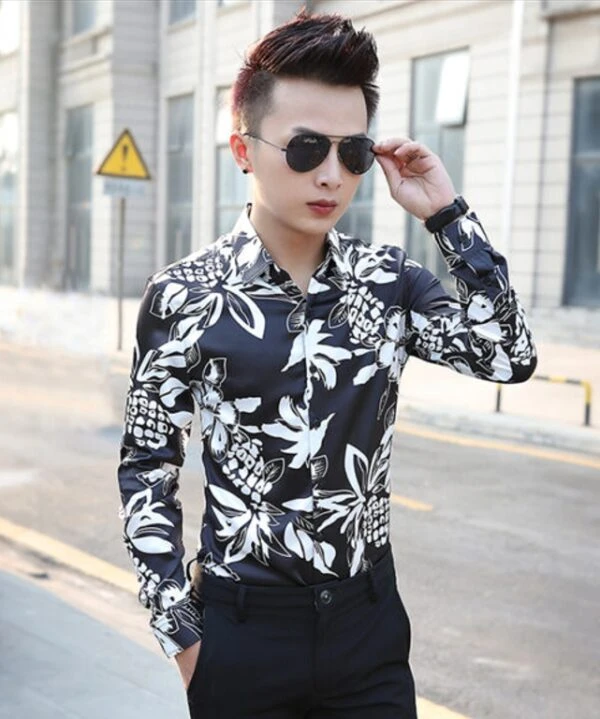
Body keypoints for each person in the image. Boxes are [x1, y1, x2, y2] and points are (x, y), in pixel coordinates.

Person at [117, 10, 536, 719]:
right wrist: (183, 637)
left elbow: (508, 357)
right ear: (243, 149)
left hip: (366, 630)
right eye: (306, 147)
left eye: (354, 151)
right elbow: (147, 467)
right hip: (242, 635)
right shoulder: (186, 296)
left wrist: (446, 215)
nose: (332, 174)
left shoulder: (390, 283)